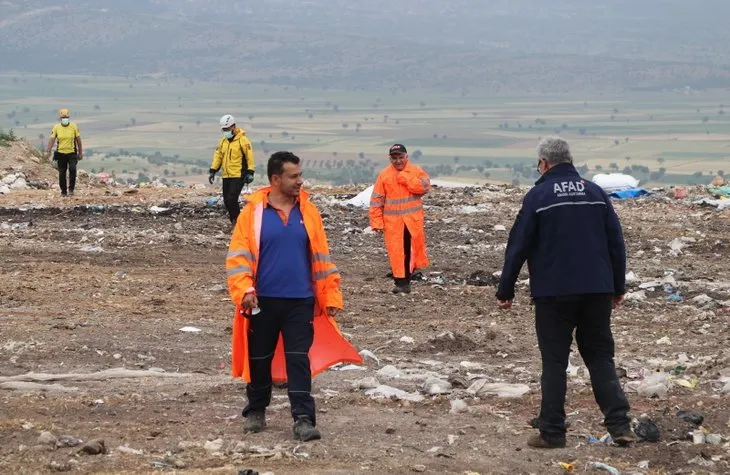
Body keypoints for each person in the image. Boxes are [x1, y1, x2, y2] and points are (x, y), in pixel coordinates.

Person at [495, 136, 634, 449]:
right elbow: (616, 242)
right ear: (570, 160)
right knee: (600, 357)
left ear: (544, 163)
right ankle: (620, 424)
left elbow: (519, 244)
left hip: (554, 293)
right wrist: (617, 286)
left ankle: (553, 432)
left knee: (555, 362)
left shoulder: (538, 195)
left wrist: (506, 289)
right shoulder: (596, 193)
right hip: (597, 289)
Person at [226, 151, 363, 441]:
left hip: (301, 302)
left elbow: (322, 257)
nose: (300, 181)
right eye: (294, 176)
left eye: (300, 175)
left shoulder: (308, 212)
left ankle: (303, 419)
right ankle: (256, 411)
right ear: (275, 179)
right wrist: (245, 290)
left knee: (298, 360)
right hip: (262, 302)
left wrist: (331, 296)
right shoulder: (253, 214)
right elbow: (238, 257)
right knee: (259, 358)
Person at [369, 144, 431, 294]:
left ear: (406, 157)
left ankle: (404, 280)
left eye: (400, 157)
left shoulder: (416, 171)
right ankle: (401, 281)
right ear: (390, 159)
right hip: (393, 223)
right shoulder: (384, 175)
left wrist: (407, 178)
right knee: (396, 252)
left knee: (411, 251)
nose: (398, 161)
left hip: (412, 221)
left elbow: (424, 187)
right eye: (394, 158)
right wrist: (376, 222)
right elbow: (377, 200)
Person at [209, 114, 256, 224]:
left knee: (232, 199)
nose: (225, 131)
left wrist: (250, 171)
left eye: (227, 129)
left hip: (239, 175)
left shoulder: (243, 140)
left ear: (233, 126)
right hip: (227, 175)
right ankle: (234, 221)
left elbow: (249, 156)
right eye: (223, 129)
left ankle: (238, 223)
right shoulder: (223, 142)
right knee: (226, 201)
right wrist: (213, 170)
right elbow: (218, 156)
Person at [46, 108, 82, 197]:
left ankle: (71, 189)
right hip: (61, 154)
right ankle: (63, 191)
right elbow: (52, 140)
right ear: (61, 118)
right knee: (62, 173)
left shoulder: (73, 126)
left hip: (72, 153)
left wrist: (80, 153)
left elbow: (78, 140)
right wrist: (48, 151)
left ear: (68, 118)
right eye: (63, 117)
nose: (65, 119)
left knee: (73, 170)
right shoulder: (56, 127)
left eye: (66, 117)